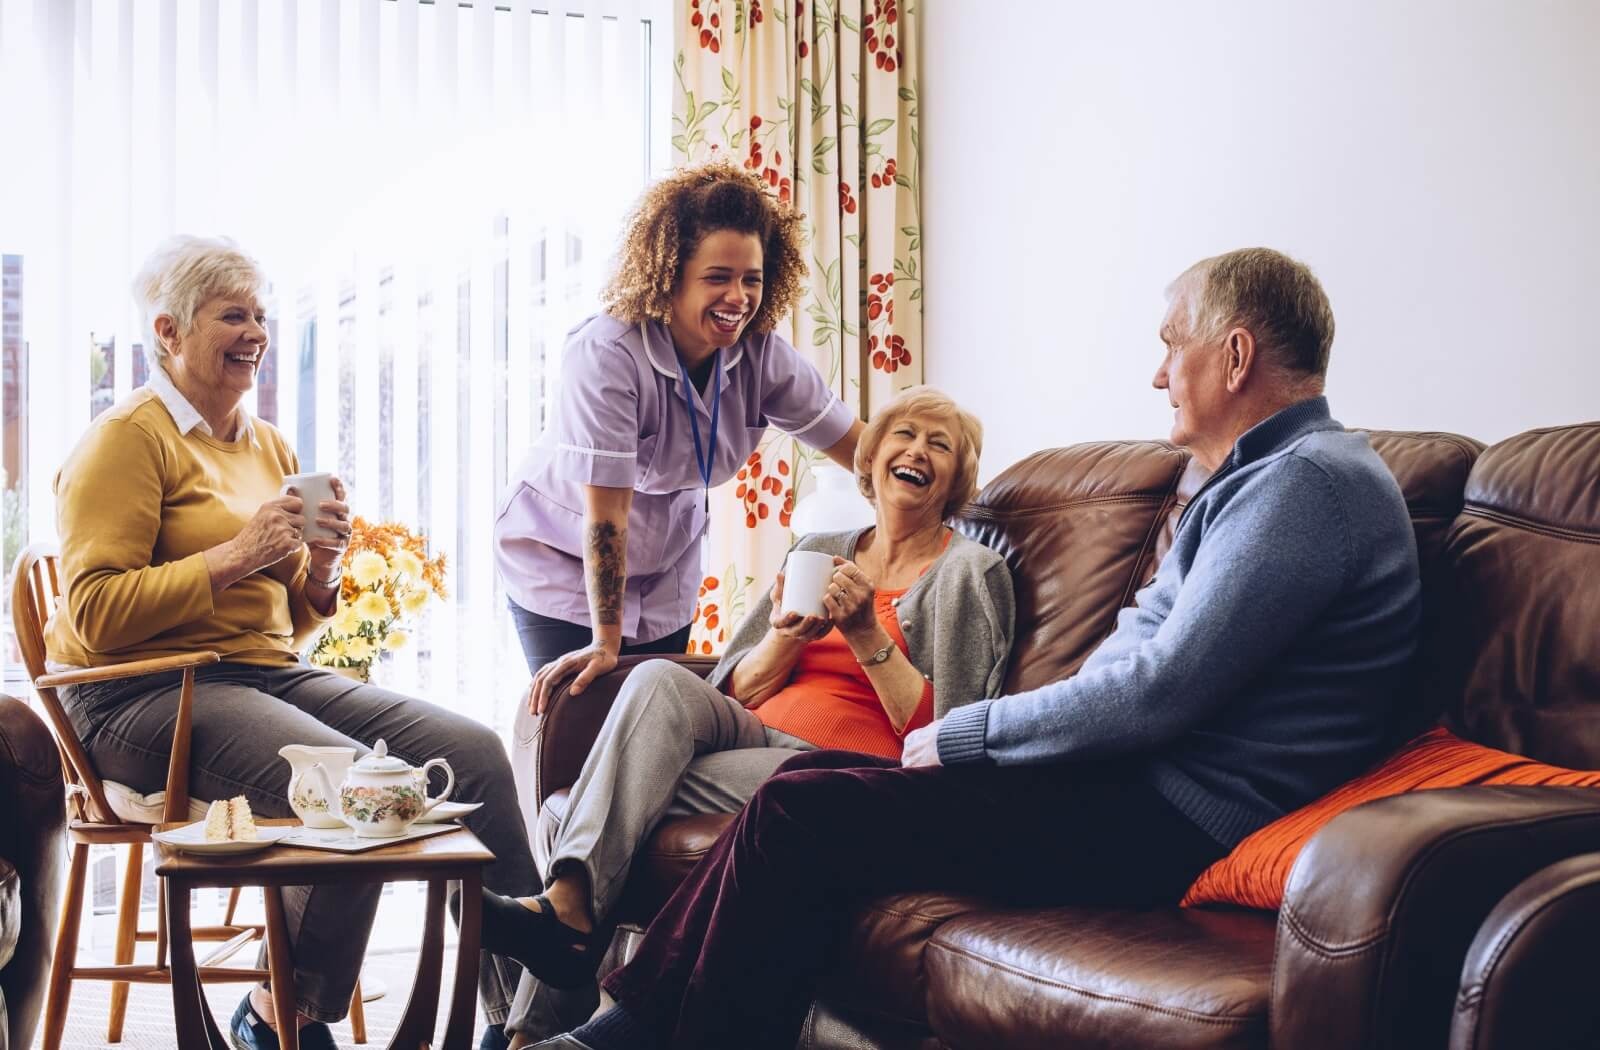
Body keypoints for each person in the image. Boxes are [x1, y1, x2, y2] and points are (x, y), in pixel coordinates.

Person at [531, 247, 1425, 1050]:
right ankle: (628, 1030)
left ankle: (626, 1037)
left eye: (1171, 344)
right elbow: (1138, 677)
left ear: (1233, 356)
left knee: (805, 814)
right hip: (1125, 786)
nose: (1159, 375)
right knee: (807, 787)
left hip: (1168, 816)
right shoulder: (1255, 481)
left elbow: (1159, 689)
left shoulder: (1307, 484)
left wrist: (973, 734)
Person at [47, 236, 540, 1050]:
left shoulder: (266, 443)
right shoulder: (126, 440)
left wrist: (320, 571)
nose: (256, 332)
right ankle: (283, 1015)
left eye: (261, 315)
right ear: (168, 331)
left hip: (263, 675)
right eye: (232, 315)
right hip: (133, 696)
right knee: (349, 786)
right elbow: (94, 614)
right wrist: (238, 552)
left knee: (475, 751)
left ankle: (523, 1024)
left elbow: (289, 624)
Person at [491, 387, 1011, 1044]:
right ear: (873, 457)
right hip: (749, 733)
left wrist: (862, 633)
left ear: (957, 478)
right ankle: (561, 926)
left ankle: (525, 1027)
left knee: (601, 801)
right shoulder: (822, 545)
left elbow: (950, 735)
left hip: (837, 769)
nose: (917, 451)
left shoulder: (970, 571)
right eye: (904, 435)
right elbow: (734, 687)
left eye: (940, 445)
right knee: (655, 678)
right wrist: (790, 633)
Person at [493, 160, 863, 794]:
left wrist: (941, 499)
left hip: (665, 566)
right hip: (561, 557)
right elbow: (605, 517)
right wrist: (606, 641)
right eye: (716, 278)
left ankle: (624, 895)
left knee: (648, 752)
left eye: (751, 279)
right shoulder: (607, 354)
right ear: (668, 279)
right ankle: (547, 885)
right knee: (578, 733)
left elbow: (860, 447)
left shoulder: (761, 355)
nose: (738, 298)